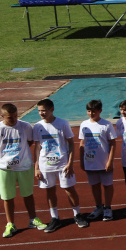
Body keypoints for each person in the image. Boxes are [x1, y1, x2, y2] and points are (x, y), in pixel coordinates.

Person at [32, 98, 79, 231]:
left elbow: (71, 143)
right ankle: (55, 218)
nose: (41, 113)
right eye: (39, 111)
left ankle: (77, 214)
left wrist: (70, 163)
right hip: (45, 165)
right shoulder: (37, 126)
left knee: (69, 189)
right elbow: (37, 147)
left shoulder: (62, 123)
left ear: (51, 109)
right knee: (50, 190)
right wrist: (36, 168)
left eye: (44, 110)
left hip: (62, 164)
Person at [0, 103, 40, 237]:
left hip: (24, 166)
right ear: (2, 116)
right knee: (7, 197)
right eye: (10, 117)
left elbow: (29, 142)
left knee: (28, 194)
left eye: (15, 116)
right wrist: (6, 158)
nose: (14, 119)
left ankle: (33, 220)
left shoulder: (25, 126)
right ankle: (10, 224)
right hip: (5, 168)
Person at [80, 99, 117, 222]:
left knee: (107, 185)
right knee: (94, 185)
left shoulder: (106, 125)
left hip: (104, 162)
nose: (91, 114)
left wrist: (110, 161)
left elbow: (113, 143)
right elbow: (82, 143)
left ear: (100, 111)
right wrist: (81, 160)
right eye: (89, 111)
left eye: (94, 111)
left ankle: (107, 208)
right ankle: (98, 207)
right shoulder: (84, 124)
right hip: (90, 162)